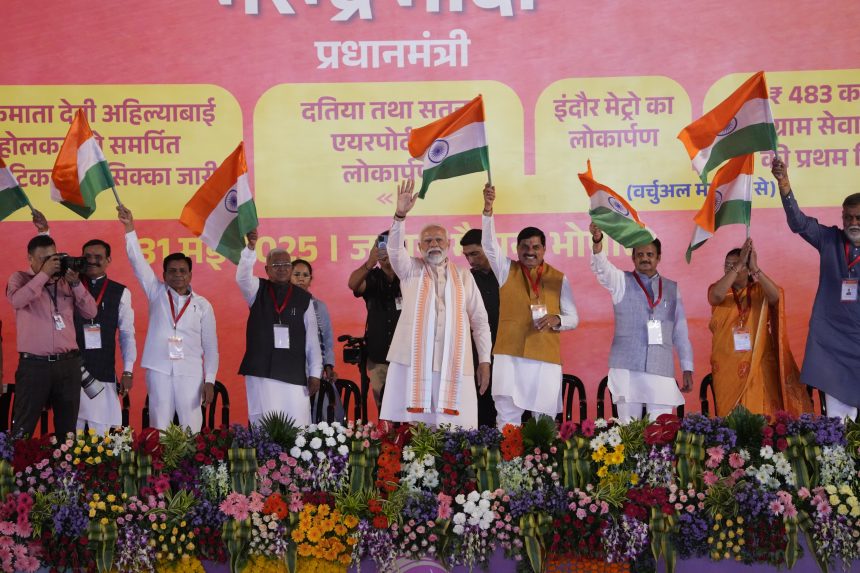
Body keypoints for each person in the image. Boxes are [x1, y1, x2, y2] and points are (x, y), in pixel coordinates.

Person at [379, 179, 492, 429]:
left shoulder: (464, 276)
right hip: (414, 363)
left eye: (439, 240)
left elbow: (480, 321)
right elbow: (395, 251)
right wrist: (399, 216)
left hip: (454, 363)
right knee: (415, 431)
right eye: (428, 241)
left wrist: (484, 360)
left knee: (455, 432)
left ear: (448, 245)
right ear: (419, 247)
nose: (433, 245)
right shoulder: (410, 270)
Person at [481, 184, 579, 427]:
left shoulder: (559, 278)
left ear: (544, 249)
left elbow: (573, 317)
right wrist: (488, 210)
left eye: (536, 247)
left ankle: (542, 454)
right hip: (509, 354)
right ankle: (507, 454)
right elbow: (489, 245)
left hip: (544, 356)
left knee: (543, 421)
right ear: (517, 248)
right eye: (524, 246)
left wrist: (558, 319)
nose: (530, 252)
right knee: (507, 418)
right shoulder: (506, 270)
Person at [773, 157, 860, 419]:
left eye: (858, 217)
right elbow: (799, 223)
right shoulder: (829, 239)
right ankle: (838, 447)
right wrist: (784, 185)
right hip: (832, 343)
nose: (853, 222)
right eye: (848, 217)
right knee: (838, 418)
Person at [118, 205, 218, 431]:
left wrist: (209, 379)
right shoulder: (156, 292)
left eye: (182, 271)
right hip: (159, 369)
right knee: (159, 427)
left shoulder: (203, 305)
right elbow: (137, 261)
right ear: (164, 275)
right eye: (172, 271)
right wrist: (129, 228)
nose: (178, 275)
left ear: (190, 275)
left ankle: (192, 456)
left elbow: (211, 347)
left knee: (191, 429)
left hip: (190, 371)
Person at [589, 223, 693, 422]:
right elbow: (601, 268)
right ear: (633, 258)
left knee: (661, 430)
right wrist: (597, 241)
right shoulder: (620, 281)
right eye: (640, 255)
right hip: (627, 367)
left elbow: (680, 332)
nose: (645, 258)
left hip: (661, 366)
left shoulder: (671, 288)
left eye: (650, 254)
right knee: (628, 431)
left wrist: (687, 367)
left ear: (658, 257)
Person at [7, 232, 97, 438]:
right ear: (30, 259)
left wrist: (76, 284)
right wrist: (44, 275)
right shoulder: (19, 278)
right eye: (44, 259)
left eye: (53, 258)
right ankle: (17, 459)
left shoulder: (66, 281)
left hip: (68, 365)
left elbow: (91, 312)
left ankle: (64, 460)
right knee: (23, 427)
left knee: (67, 430)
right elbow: (17, 301)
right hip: (34, 366)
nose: (51, 264)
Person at [707, 239, 811, 416]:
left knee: (762, 416)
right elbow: (714, 297)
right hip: (727, 367)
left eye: (737, 265)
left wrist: (755, 268)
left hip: (758, 364)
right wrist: (739, 264)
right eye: (727, 265)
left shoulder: (759, 291)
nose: (730, 269)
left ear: (748, 269)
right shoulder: (720, 290)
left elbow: (776, 297)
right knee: (731, 421)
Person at [236, 231, 322, 425]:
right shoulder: (256, 289)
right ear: (267, 269)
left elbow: (312, 340)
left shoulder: (304, 299)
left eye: (286, 264)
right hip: (261, 372)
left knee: (298, 425)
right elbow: (242, 277)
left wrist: (315, 373)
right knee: (265, 425)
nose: (282, 268)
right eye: (276, 265)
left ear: (291, 268)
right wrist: (250, 249)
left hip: (293, 371)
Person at [347, 231, 402, 410]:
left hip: (406, 356)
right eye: (383, 247)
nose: (387, 253)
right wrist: (369, 263)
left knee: (408, 406)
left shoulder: (410, 276)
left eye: (393, 248)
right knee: (383, 406)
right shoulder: (372, 276)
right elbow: (353, 284)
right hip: (379, 355)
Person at [460, 228, 499, 428]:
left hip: (509, 354)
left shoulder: (509, 274)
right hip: (478, 356)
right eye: (466, 255)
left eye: (475, 253)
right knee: (482, 412)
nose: (470, 260)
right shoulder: (465, 280)